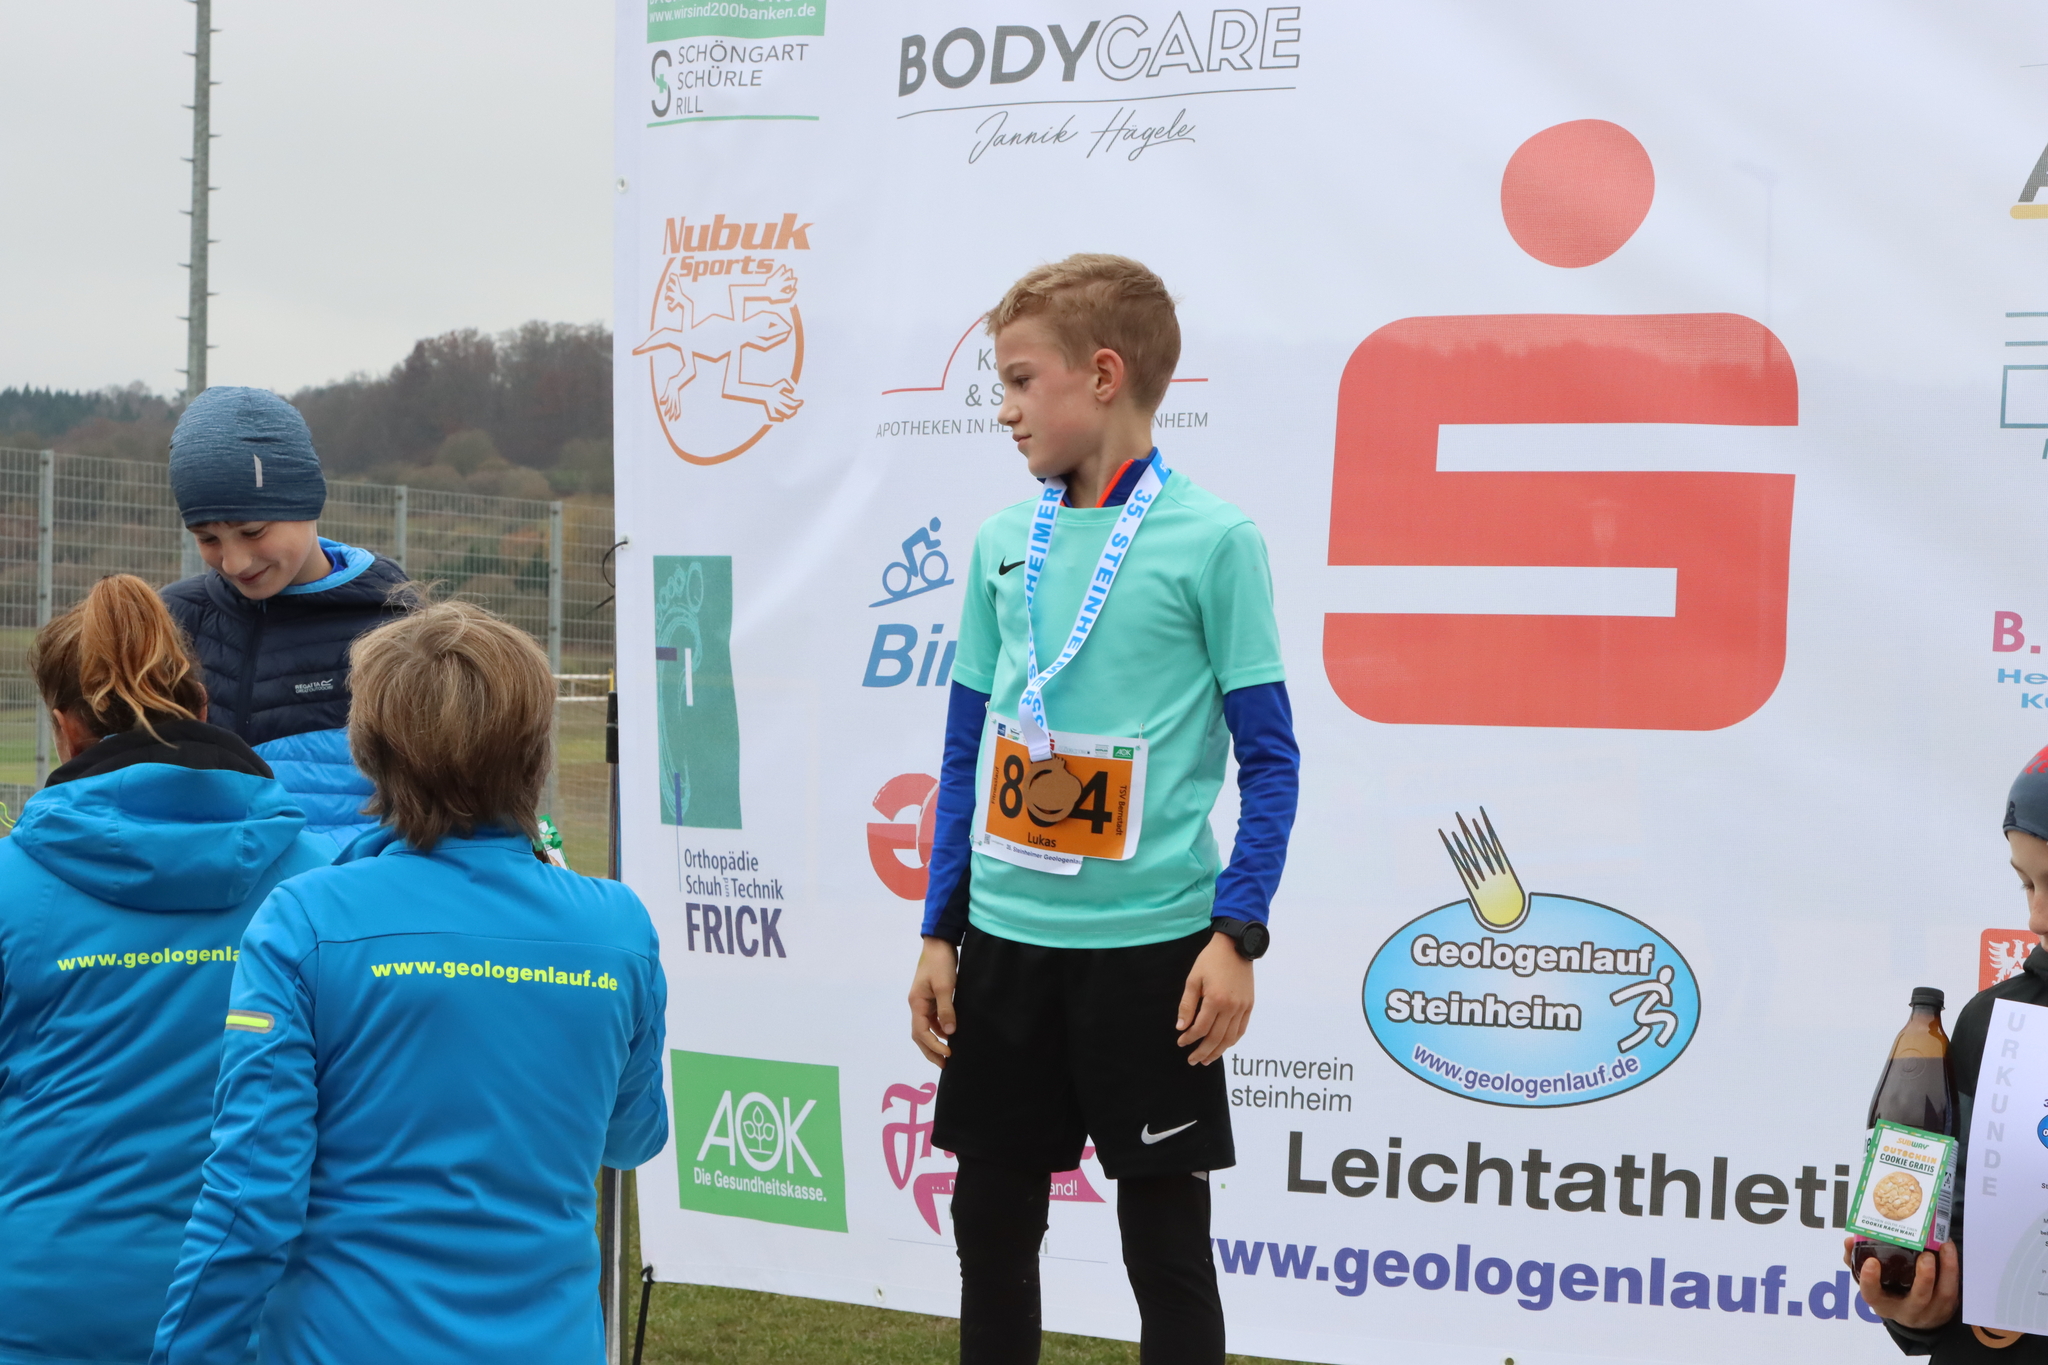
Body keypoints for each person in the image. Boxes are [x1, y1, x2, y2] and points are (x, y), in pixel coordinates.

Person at [905, 254, 1300, 1365]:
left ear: (1104, 375)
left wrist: (1236, 934)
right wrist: (940, 930)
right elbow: (964, 751)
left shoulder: (1214, 541)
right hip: (1007, 947)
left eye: (1020, 380)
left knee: (1164, 1251)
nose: (1005, 408)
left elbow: (1271, 761)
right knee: (991, 1234)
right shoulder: (1000, 543)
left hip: (1152, 957)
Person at [150, 599, 668, 1365]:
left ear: (370, 749)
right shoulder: (618, 927)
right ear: (536, 749)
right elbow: (633, 1134)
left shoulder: (306, 919)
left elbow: (252, 1190)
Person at [0, 575, 330, 1365]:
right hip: (253, 1305)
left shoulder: (11, 885)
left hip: (45, 1303)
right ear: (203, 708)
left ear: (65, 729)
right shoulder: (319, 882)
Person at [1855, 746, 2048, 1359]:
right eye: (2026, 883)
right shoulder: (1997, 1022)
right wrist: (1920, 1309)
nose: (2037, 917)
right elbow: (1950, 1233)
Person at [160, 385, 412, 854]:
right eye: (207, 538)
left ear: (306, 501)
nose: (234, 562)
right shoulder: (171, 622)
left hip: (347, 894)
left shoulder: (398, 624)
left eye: (253, 531)